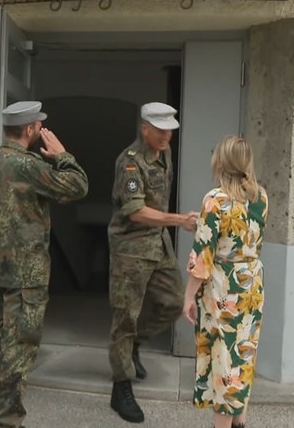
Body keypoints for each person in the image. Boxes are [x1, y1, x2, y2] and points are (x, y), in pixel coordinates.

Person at [0, 101, 88, 428]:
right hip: (26, 279)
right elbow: (78, 185)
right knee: (17, 352)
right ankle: (6, 422)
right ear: (31, 130)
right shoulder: (29, 167)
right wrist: (62, 155)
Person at [108, 101, 198, 423]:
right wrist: (178, 220)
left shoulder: (165, 154)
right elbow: (135, 211)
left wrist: (168, 227)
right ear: (144, 129)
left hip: (158, 245)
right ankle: (121, 389)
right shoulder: (130, 163)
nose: (166, 137)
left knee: (174, 302)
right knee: (125, 316)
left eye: (170, 132)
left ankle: (133, 345)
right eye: (160, 131)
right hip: (131, 248)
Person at [182, 135, 268, 428]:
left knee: (223, 361)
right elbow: (244, 235)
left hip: (224, 288)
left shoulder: (214, 200)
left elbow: (203, 259)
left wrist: (187, 298)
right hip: (252, 284)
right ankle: (240, 422)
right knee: (242, 356)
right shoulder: (261, 197)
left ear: (222, 161)